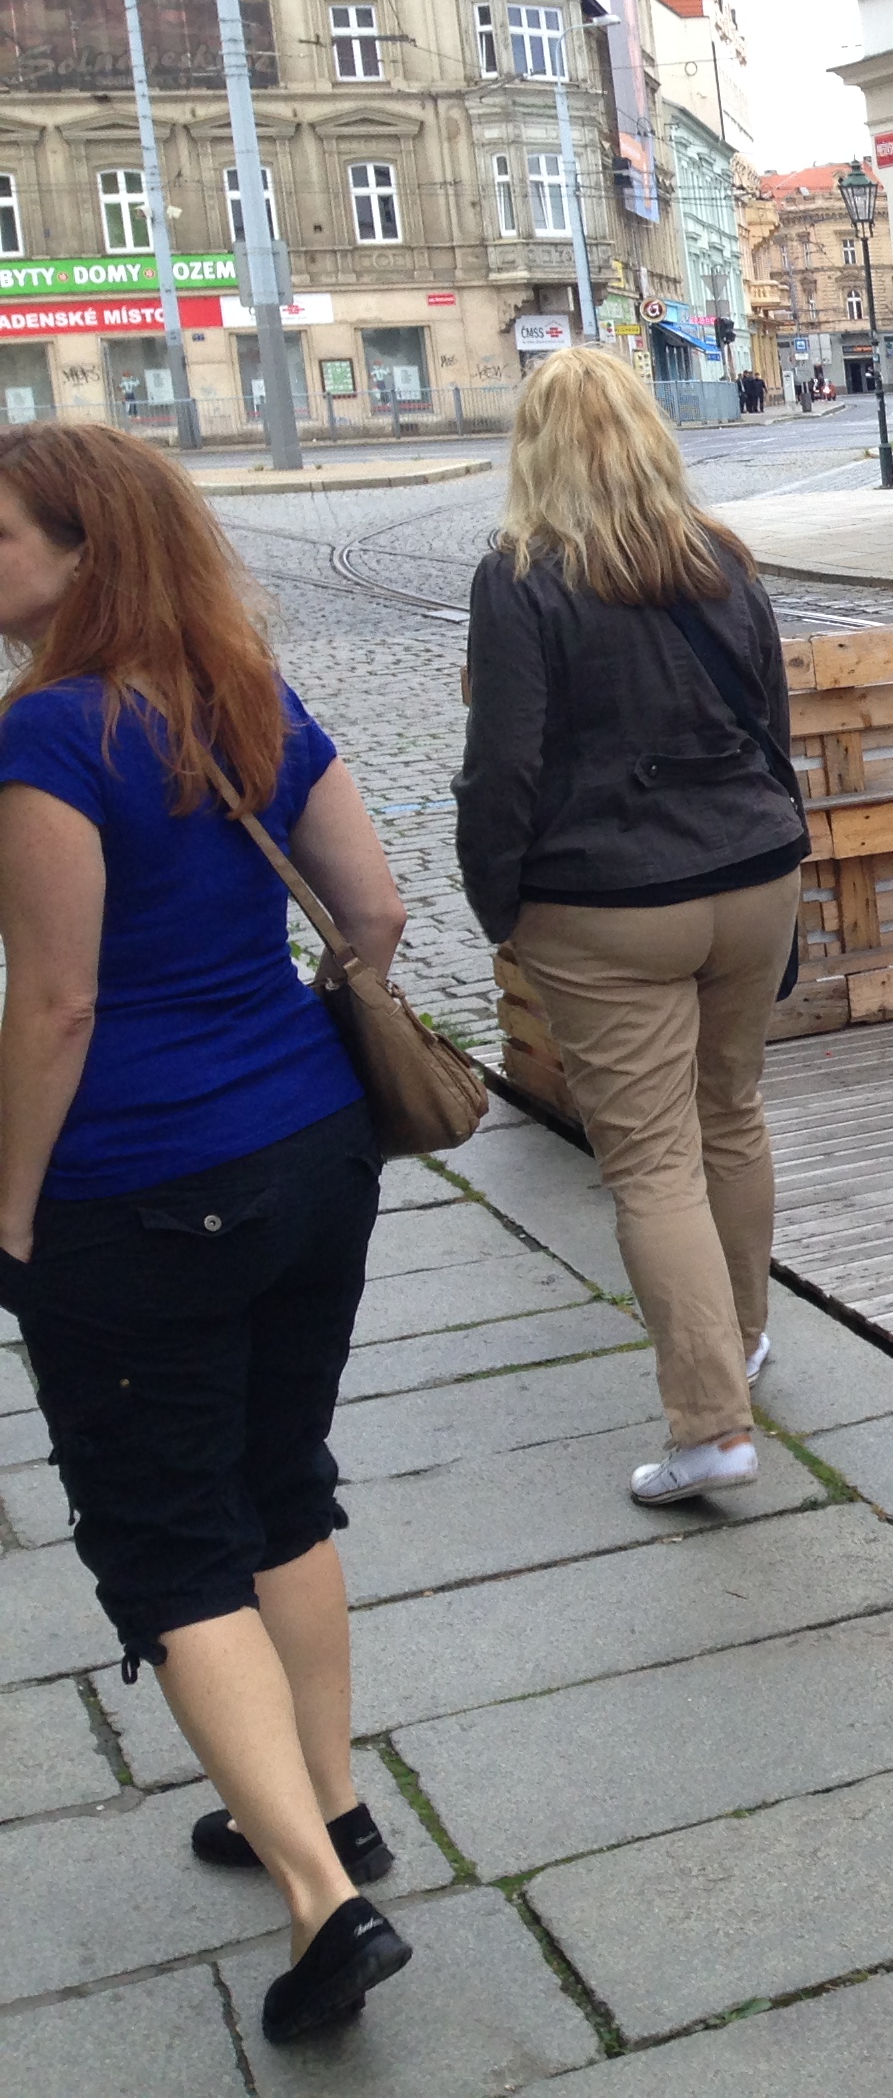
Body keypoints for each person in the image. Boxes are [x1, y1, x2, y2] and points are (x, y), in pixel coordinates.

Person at [0, 425, 417, 2043]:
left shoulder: (47, 736)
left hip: (140, 1187)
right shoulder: (246, 693)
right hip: (314, 1150)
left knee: (170, 1536)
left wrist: (12, 1212)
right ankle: (326, 1803)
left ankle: (323, 1904)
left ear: (81, 555)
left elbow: (56, 1005)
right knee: (277, 1480)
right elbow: (374, 912)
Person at [456, 345, 806, 1507]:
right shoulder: (723, 560)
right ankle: (742, 1339)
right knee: (731, 1113)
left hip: (606, 902)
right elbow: (772, 727)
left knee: (652, 1162)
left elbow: (502, 766)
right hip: (753, 875)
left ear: (534, 452)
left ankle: (711, 1427)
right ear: (653, 438)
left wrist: (497, 901)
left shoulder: (520, 579)